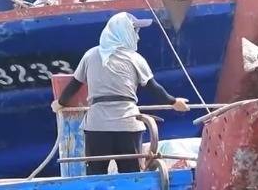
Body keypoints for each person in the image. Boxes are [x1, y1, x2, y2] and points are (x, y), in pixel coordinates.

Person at [52, 12, 189, 175]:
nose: (138, 37)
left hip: (97, 126)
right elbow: (154, 88)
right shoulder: (135, 58)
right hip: (128, 124)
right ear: (124, 32)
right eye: (135, 31)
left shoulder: (90, 55)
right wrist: (174, 102)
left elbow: (74, 86)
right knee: (131, 174)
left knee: (96, 175)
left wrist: (59, 103)